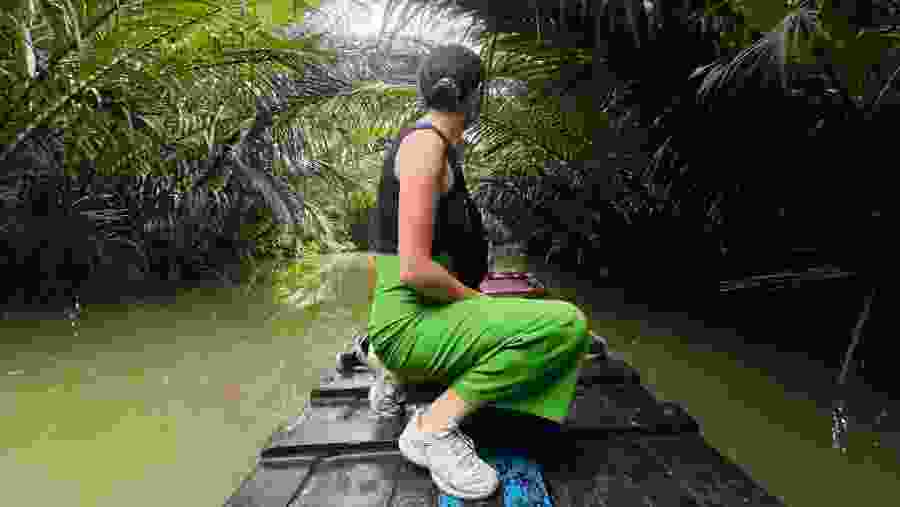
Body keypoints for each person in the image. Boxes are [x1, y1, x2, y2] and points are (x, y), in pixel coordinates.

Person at [366, 44, 591, 500]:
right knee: (565, 326)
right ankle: (431, 428)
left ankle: (399, 371)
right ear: (476, 95)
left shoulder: (440, 147)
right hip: (411, 320)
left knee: (514, 324)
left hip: (426, 313)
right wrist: (479, 302)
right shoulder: (425, 146)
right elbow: (413, 268)